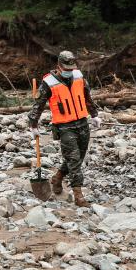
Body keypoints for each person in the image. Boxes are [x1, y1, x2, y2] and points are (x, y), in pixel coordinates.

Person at [28, 50, 101, 207]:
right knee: (74, 160)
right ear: (59, 66)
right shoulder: (48, 82)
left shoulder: (79, 76)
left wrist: (94, 115)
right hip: (64, 127)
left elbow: (87, 97)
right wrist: (33, 125)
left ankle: (57, 178)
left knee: (78, 158)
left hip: (82, 123)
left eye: (71, 68)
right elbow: (38, 105)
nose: (69, 71)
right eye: (66, 69)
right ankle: (79, 196)